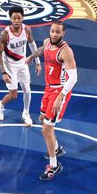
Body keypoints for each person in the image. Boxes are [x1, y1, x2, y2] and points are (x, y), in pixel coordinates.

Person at [25, 20, 77, 182]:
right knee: (42, 119)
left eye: (58, 32)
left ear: (63, 33)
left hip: (60, 91)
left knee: (46, 131)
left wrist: (61, 96)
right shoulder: (48, 42)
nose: (54, 34)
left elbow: (74, 77)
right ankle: (56, 148)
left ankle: (54, 165)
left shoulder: (66, 51)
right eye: (53, 31)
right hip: (49, 88)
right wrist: (31, 56)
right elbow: (43, 50)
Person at [0, 5, 40, 127]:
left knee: (27, 90)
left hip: (23, 63)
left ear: (22, 18)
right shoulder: (5, 33)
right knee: (14, 95)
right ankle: (0, 104)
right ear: (10, 19)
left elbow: (33, 45)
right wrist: (3, 72)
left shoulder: (27, 30)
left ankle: (26, 113)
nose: (16, 21)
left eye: (19, 18)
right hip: (9, 65)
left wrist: (38, 62)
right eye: (14, 18)